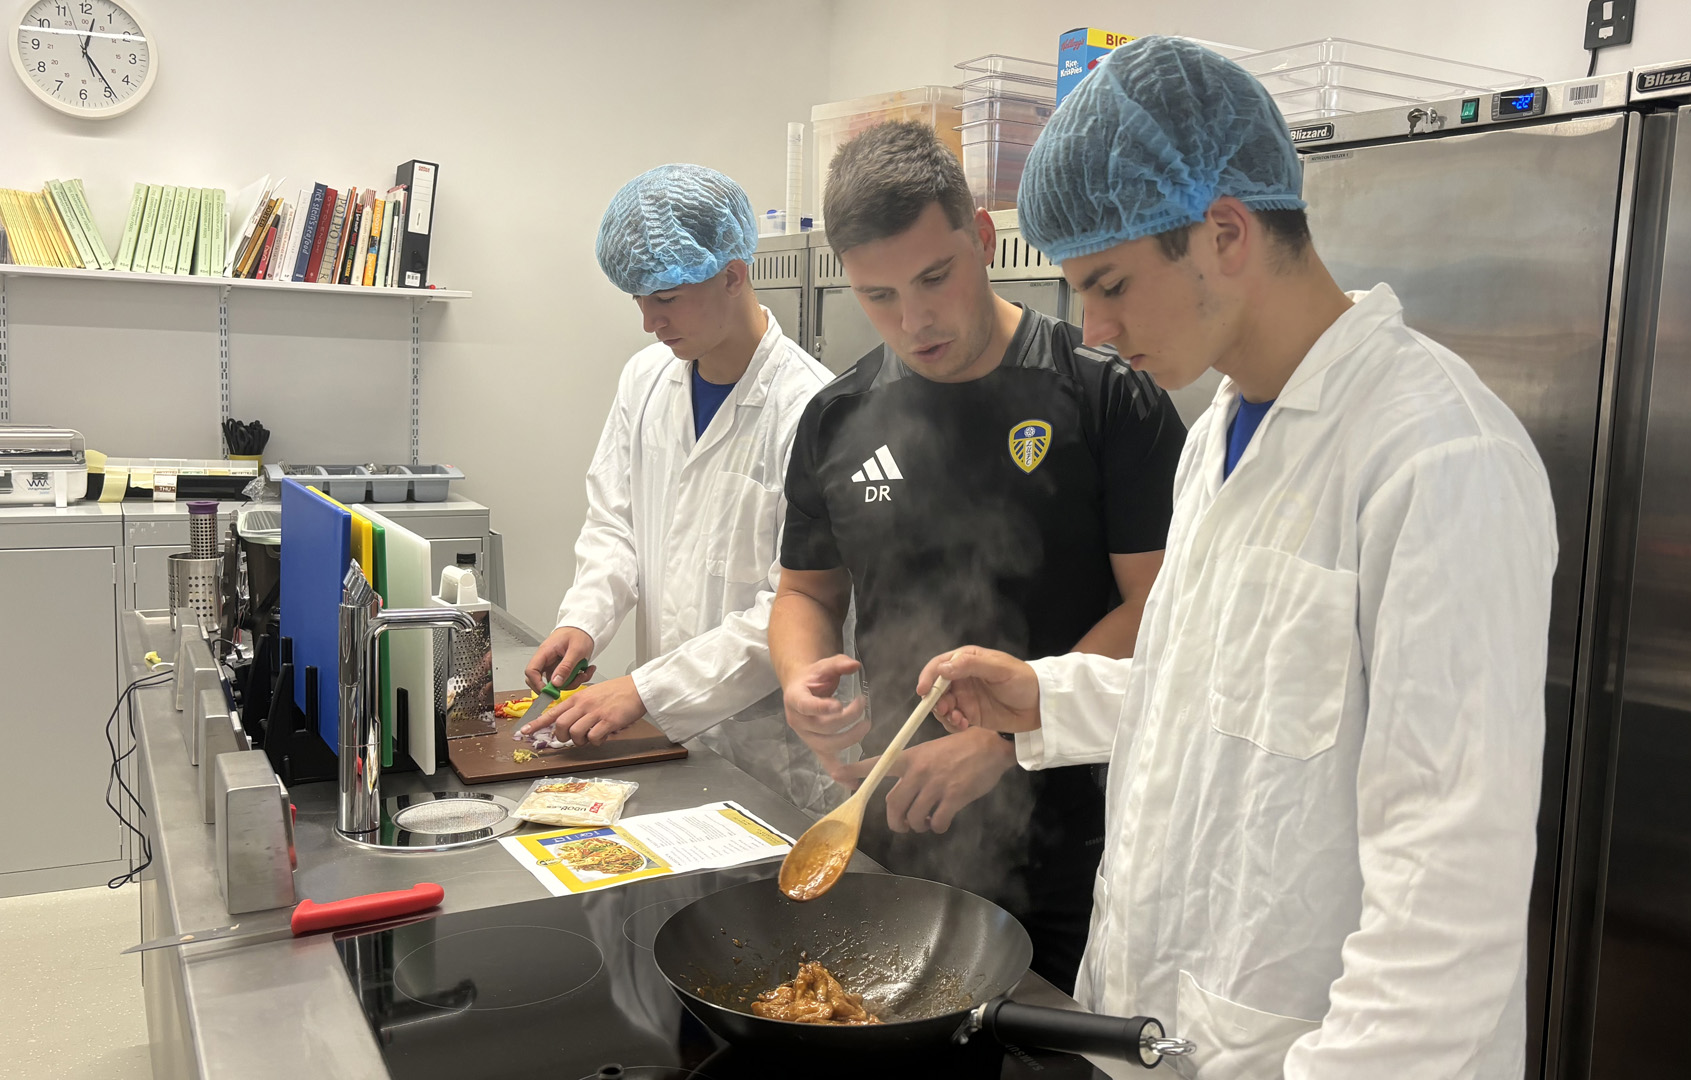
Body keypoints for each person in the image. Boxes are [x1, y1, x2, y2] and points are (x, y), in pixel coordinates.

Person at [919, 36, 1558, 1078]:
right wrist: (1042, 695)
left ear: (1223, 233)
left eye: (1113, 283)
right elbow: (1223, 698)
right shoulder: (1219, 430)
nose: (1097, 326)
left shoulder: (1439, 459)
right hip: (1159, 1027)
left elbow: (1448, 901)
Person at [768, 121, 1187, 989]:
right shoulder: (836, 420)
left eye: (935, 276)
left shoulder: (1107, 396)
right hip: (892, 821)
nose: (914, 319)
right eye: (878, 296)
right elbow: (805, 590)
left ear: (985, 240)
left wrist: (1009, 735)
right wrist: (798, 679)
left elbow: (1162, 612)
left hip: (1074, 837)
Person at [521, 164, 840, 815]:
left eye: (664, 297)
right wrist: (586, 618)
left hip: (767, 756)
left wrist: (643, 690)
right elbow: (615, 523)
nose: (648, 322)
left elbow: (793, 607)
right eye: (636, 299)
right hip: (660, 741)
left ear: (733, 273)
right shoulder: (645, 381)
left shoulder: (812, 409)